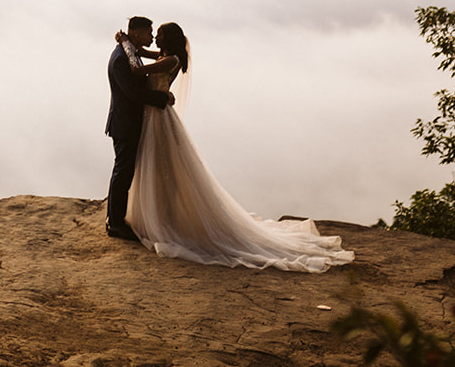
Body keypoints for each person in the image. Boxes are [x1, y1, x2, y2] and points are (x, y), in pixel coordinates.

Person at [124, 22, 354, 272]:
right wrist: (130, 44)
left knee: (164, 169)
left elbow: (137, 70)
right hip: (154, 116)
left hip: (159, 119)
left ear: (169, 40)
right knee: (157, 169)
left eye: (159, 35)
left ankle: (164, 221)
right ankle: (159, 217)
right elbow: (143, 56)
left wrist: (125, 43)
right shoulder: (164, 56)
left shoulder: (171, 61)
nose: (155, 38)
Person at [104, 16, 176, 241]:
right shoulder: (121, 59)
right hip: (125, 123)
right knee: (123, 171)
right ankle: (115, 223)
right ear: (137, 34)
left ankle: (116, 219)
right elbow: (132, 93)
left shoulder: (130, 53)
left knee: (125, 170)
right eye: (149, 32)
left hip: (130, 121)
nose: (152, 36)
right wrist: (161, 97)